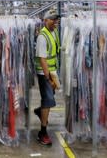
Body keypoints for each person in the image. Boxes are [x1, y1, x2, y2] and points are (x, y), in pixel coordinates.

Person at [34, 8, 60, 146]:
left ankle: (39, 111)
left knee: (49, 99)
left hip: (53, 71)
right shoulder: (42, 37)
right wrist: (49, 78)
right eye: (53, 19)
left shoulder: (54, 32)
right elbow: (43, 60)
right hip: (45, 73)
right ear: (45, 21)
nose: (56, 21)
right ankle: (42, 133)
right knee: (48, 100)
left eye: (56, 19)